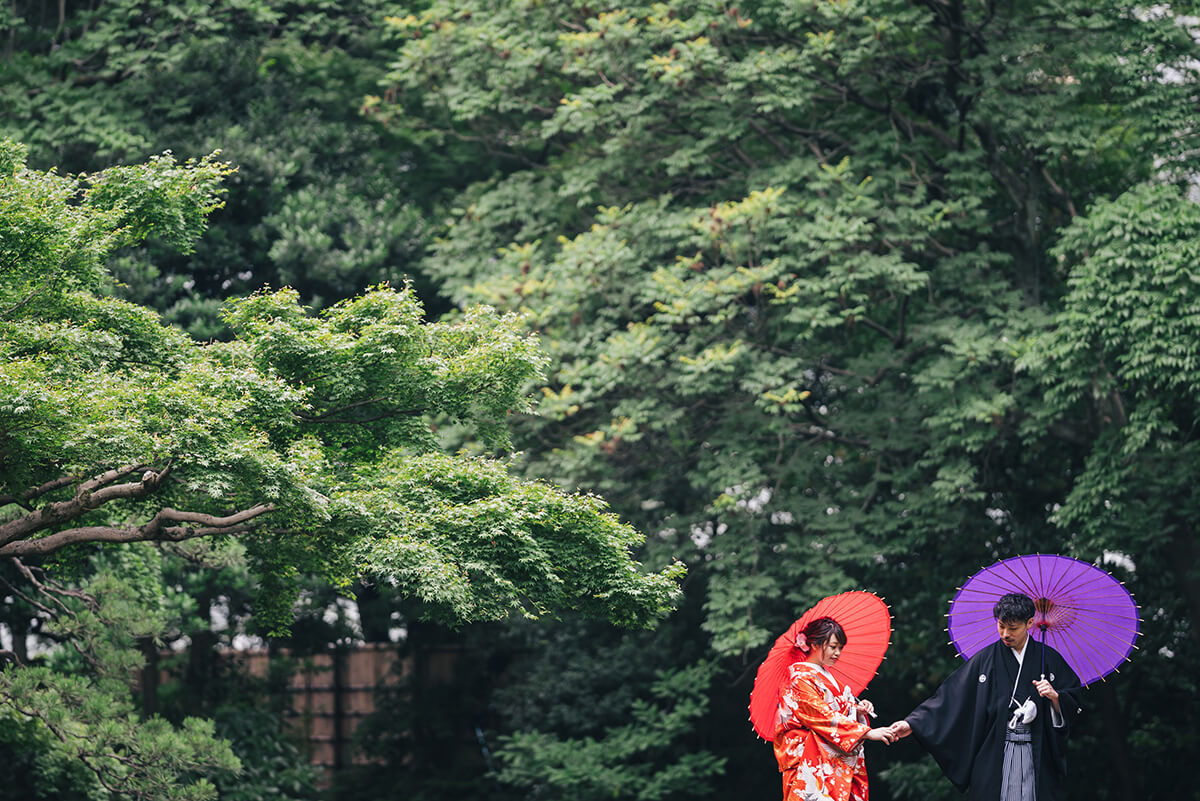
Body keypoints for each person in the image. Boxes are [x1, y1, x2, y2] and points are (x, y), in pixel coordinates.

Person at [887, 592, 1081, 801]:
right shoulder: (985, 660)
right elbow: (950, 698)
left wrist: (1054, 697)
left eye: (1013, 628)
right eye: (1001, 626)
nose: (1005, 634)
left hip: (1036, 752)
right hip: (995, 751)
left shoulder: (1049, 659)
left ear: (1030, 623)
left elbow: (1073, 700)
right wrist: (913, 724)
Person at [773, 616, 896, 801]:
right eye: (833, 647)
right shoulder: (798, 679)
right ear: (814, 644)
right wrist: (866, 733)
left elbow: (835, 708)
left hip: (830, 757)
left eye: (840, 648)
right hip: (809, 760)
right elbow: (821, 714)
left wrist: (856, 709)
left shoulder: (825, 676)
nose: (837, 653)